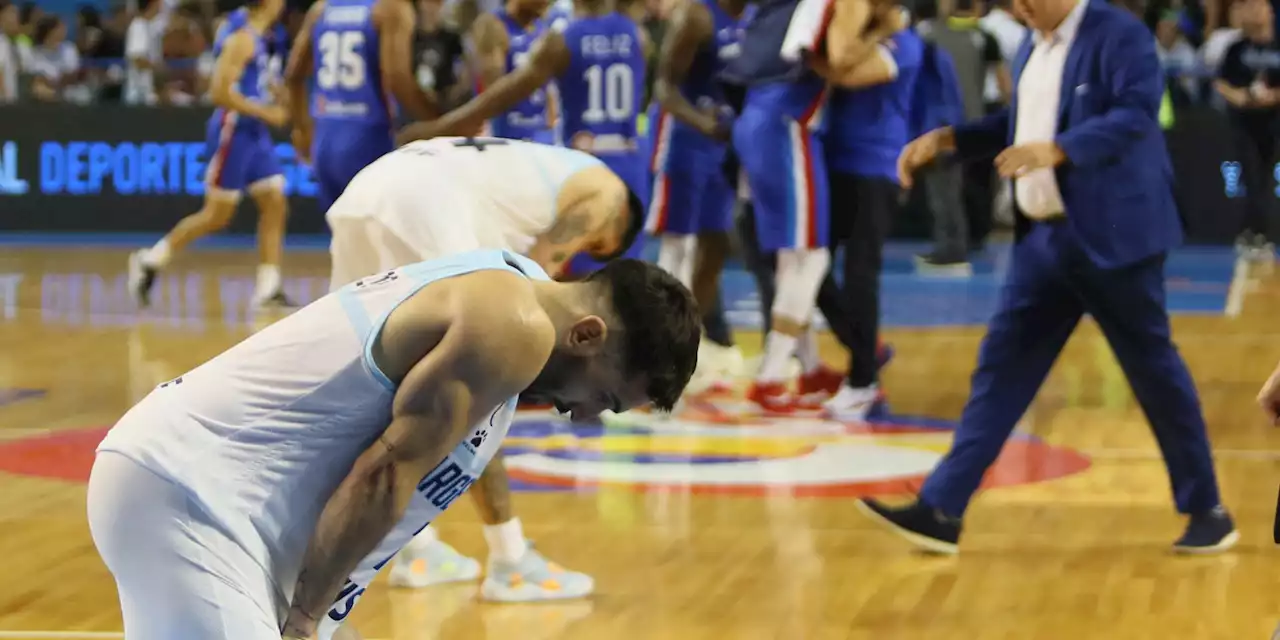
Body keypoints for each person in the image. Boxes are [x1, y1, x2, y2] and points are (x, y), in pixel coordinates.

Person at [87, 250, 701, 640]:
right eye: (608, 398)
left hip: (206, 506)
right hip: (193, 497)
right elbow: (384, 474)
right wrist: (302, 622)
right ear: (589, 335)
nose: (586, 418)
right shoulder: (513, 327)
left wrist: (318, 618)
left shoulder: (512, 298)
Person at [859, 0, 1238, 555]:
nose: (1018, 7)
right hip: (1044, 244)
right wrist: (950, 140)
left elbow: (1135, 115)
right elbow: (1019, 129)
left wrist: (1059, 149)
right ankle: (941, 508)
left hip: (1116, 241)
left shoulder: (1120, 35)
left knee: (1154, 374)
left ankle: (1208, 509)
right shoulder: (1030, 40)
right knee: (1000, 371)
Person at [326, 136, 640, 599]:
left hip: (364, 193)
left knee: (373, 375)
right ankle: (511, 560)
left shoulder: (541, 167)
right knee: (483, 380)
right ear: (623, 224)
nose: (591, 248)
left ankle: (416, 552)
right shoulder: (608, 194)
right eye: (599, 247)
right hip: (426, 204)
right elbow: (542, 271)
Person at [398, 0, 650, 264]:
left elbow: (499, 97)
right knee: (623, 269)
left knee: (555, 272)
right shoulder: (638, 35)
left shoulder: (560, 39)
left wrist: (437, 129)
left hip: (581, 170)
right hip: (629, 163)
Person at [128, 0, 291, 309]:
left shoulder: (255, 31)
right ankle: (150, 260)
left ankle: (268, 288)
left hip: (253, 133)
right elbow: (219, 92)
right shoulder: (242, 38)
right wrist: (266, 112)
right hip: (234, 131)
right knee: (217, 215)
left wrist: (273, 90)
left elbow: (250, 77)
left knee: (275, 201)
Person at [803, 2, 920, 420]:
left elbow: (846, 74)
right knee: (809, 268)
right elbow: (837, 63)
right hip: (833, 163)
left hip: (876, 168)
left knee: (859, 274)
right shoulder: (862, 36)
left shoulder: (906, 45)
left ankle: (862, 380)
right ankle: (866, 350)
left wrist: (828, 62)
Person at [646, 0, 746, 386]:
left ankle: (690, 342)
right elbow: (664, 88)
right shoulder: (697, 16)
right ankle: (659, 353)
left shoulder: (751, 17)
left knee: (716, 244)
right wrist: (704, 124)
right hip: (685, 141)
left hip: (722, 144)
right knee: (678, 246)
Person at [284, 0, 437, 215]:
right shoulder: (390, 8)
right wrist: (438, 121)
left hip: (325, 141)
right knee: (387, 240)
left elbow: (293, 75)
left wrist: (301, 129)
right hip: (369, 140)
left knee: (344, 242)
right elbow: (397, 80)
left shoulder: (321, 9)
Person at [1214, 0, 1279, 260]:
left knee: (1266, 180)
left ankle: (1259, 233)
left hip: (1274, 123)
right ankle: (1253, 234)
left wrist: (1273, 96)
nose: (1253, 12)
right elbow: (1220, 81)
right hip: (1243, 123)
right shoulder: (1236, 47)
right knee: (1250, 176)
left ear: (1270, 11)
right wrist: (1238, 96)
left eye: (1258, 6)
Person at [469, 0, 555, 142]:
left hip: (540, 136)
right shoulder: (493, 24)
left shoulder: (542, 29)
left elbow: (548, 91)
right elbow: (491, 93)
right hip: (505, 137)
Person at [414, 0, 470, 111]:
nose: (431, 8)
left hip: (446, 100)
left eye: (437, 3)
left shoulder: (451, 38)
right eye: (428, 3)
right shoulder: (411, 38)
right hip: (417, 101)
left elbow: (465, 67)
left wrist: (456, 91)